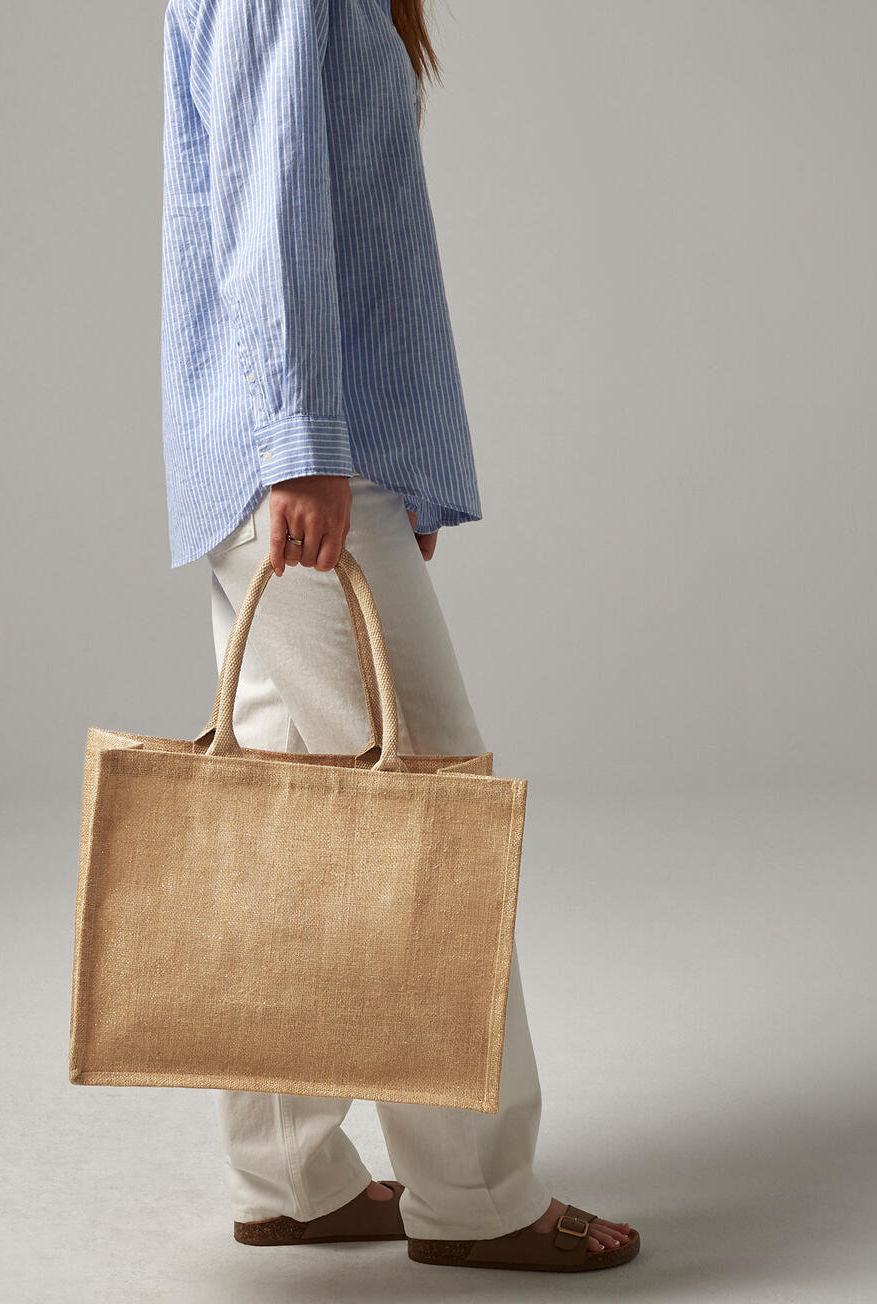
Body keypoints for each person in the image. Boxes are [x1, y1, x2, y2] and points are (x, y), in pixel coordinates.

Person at [160, 0, 639, 1274]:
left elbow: (344, 214)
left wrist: (388, 461)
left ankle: (289, 1175)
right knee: (430, 825)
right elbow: (267, 209)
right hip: (297, 462)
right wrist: (307, 453)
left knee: (289, 825)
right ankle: (475, 1196)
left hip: (302, 458)